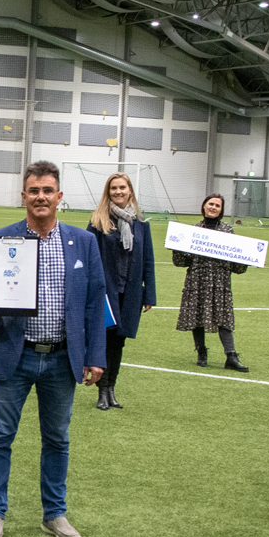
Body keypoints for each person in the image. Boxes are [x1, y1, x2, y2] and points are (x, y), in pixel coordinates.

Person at [0, 161, 107, 537]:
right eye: (34, 191)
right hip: (14, 355)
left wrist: (95, 356)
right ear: (24, 197)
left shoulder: (84, 242)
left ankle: (55, 514)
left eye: (48, 191)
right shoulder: (3, 239)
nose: (41, 197)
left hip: (63, 358)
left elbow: (95, 304)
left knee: (58, 439)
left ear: (59, 197)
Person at [87, 172, 156, 410]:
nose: (118, 192)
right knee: (105, 339)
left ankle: (111, 389)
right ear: (108, 192)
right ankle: (102, 390)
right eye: (113, 188)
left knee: (120, 341)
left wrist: (150, 294)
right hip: (105, 292)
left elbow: (148, 260)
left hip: (130, 292)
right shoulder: (98, 221)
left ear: (130, 191)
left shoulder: (141, 224)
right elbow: (88, 259)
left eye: (122, 188)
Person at [172, 193, 249, 372]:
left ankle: (231, 355)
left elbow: (236, 263)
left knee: (224, 318)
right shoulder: (193, 230)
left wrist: (248, 257)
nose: (213, 207)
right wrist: (177, 247)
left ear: (221, 210)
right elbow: (182, 262)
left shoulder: (228, 230)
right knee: (196, 315)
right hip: (197, 279)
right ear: (204, 206)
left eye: (217, 205)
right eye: (211, 204)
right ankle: (201, 351)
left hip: (220, 282)